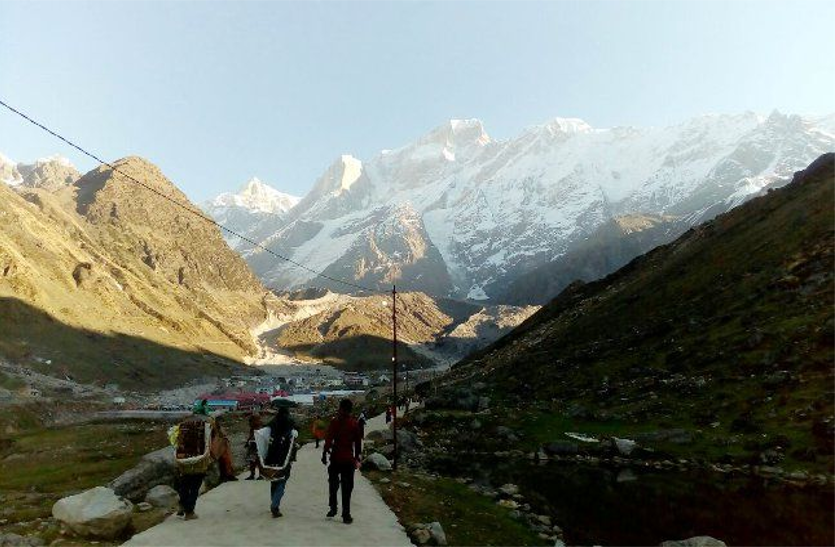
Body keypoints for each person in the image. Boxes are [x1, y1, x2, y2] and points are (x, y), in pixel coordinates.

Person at [170, 408, 215, 520]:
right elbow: (208, 440)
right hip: (198, 462)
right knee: (194, 487)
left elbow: (175, 442)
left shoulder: (182, 426)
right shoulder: (203, 425)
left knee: (184, 485)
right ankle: (189, 512)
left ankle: (182, 506)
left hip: (183, 461)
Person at [322, 398, 362, 524]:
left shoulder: (335, 422)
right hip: (348, 460)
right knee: (347, 487)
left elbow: (328, 439)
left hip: (335, 458)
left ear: (341, 408)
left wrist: (324, 453)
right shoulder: (354, 423)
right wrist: (357, 458)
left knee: (333, 485)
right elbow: (358, 443)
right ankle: (346, 515)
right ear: (350, 410)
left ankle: (333, 508)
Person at [255, 407, 298, 518]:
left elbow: (265, 430)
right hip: (284, 456)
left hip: (271, 455)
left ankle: (274, 502)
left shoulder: (273, 421)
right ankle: (275, 505)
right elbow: (296, 432)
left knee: (274, 479)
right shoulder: (289, 422)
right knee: (282, 480)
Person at [245, 411, 263, 480]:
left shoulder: (259, 426)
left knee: (258, 460)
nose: (250, 422)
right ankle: (252, 474)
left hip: (257, 446)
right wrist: (247, 442)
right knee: (252, 460)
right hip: (253, 445)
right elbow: (251, 435)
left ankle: (259, 474)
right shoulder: (253, 427)